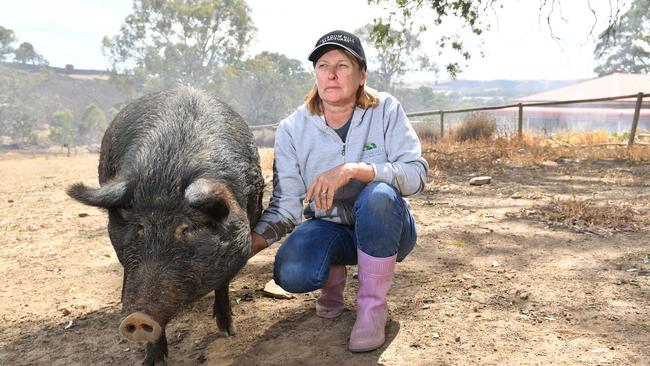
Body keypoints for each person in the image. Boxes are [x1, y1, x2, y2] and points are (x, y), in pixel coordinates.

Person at [250, 29, 429, 353]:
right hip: (329, 225)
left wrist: (355, 170)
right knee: (291, 272)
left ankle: (372, 309)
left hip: (387, 228)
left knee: (378, 196)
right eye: (322, 65)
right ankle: (332, 280)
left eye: (342, 65)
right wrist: (241, 249)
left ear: (361, 75)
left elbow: (416, 174)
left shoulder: (386, 110)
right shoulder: (292, 129)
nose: (331, 74)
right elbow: (287, 206)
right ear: (316, 73)